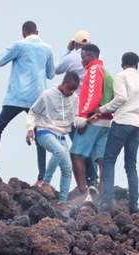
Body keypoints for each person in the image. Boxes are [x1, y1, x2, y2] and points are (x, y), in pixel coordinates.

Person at [0, 21, 54, 179]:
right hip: (38, 98)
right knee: (40, 135)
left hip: (17, 96)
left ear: (23, 34)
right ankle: (42, 176)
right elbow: (50, 74)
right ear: (37, 32)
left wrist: (8, 50)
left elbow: (0, 61)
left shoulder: (19, 45)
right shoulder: (47, 48)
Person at [26, 72, 95, 210]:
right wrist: (30, 129)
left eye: (74, 89)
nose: (71, 92)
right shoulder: (47, 95)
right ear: (63, 83)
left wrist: (86, 121)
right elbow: (33, 112)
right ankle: (45, 183)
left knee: (67, 168)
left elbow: (75, 119)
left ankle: (62, 202)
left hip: (61, 134)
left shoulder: (74, 98)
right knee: (59, 151)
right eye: (69, 88)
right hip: (45, 130)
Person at [95, 52, 139, 214]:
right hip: (138, 125)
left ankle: (109, 199)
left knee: (109, 160)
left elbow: (120, 98)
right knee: (131, 165)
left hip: (123, 121)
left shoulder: (121, 76)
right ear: (137, 66)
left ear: (122, 64)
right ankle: (134, 203)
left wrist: (101, 109)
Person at [53, 30, 99, 188]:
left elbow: (56, 69)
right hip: (92, 106)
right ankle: (93, 180)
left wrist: (67, 50)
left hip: (75, 106)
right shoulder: (95, 61)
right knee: (89, 143)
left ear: (75, 43)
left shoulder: (72, 57)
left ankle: (90, 180)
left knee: (79, 143)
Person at [70, 44, 113, 203]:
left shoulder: (94, 70)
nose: (82, 61)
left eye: (83, 57)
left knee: (75, 153)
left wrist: (84, 118)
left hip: (93, 119)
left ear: (92, 57)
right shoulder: (105, 72)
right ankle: (102, 196)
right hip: (106, 122)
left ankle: (83, 191)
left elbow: (93, 95)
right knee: (102, 160)